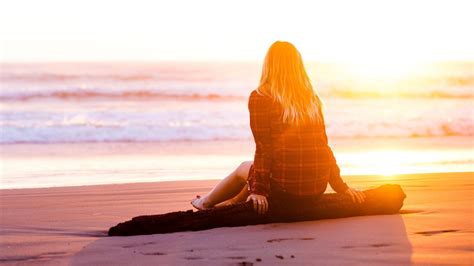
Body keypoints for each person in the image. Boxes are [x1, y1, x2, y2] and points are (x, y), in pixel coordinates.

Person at [191, 41, 365, 214]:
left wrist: (259, 190)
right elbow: (323, 145)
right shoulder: (312, 98)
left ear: (269, 65)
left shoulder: (261, 97)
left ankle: (205, 203)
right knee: (262, 169)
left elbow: (264, 148)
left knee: (243, 168)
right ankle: (235, 202)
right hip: (316, 187)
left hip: (285, 191)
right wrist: (340, 187)